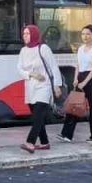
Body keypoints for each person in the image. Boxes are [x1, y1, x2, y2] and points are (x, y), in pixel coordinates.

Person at [16, 24, 63, 154]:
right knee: (37, 116)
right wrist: (31, 74)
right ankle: (44, 142)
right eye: (24, 33)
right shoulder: (23, 51)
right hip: (30, 87)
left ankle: (30, 142)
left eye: (27, 33)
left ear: (34, 34)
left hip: (44, 86)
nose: (24, 36)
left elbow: (53, 67)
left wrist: (57, 85)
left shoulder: (43, 48)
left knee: (38, 115)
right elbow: (19, 68)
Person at [58, 25, 92, 144]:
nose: (85, 37)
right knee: (74, 106)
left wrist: (85, 82)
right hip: (81, 77)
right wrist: (76, 79)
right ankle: (66, 134)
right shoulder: (80, 48)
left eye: (88, 34)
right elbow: (78, 65)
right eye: (83, 34)